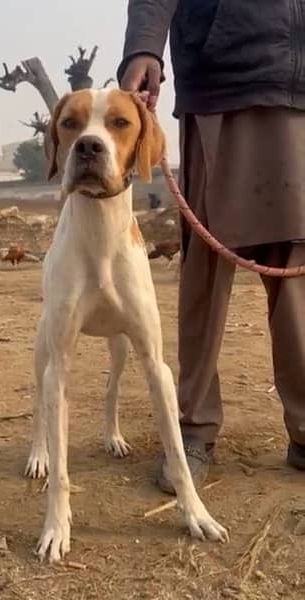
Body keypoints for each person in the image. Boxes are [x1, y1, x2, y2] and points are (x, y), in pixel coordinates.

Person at [118, 0, 305, 494]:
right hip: (223, 82)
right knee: (208, 263)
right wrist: (144, 47)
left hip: (299, 94)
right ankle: (193, 431)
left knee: (296, 269)